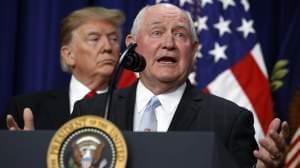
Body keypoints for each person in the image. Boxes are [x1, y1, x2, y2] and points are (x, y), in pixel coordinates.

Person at [71, 3, 289, 167]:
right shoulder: (92, 112)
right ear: (132, 45)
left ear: (193, 51)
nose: (168, 43)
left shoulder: (229, 120)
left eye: (180, 35)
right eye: (157, 32)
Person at [0, 7, 125, 130]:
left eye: (114, 39)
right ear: (69, 55)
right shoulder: (26, 109)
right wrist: (26, 146)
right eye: (94, 39)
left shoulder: (131, 108)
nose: (108, 47)